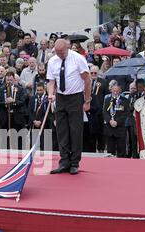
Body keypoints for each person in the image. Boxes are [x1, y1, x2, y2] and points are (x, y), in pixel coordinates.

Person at [47, 39, 91, 175]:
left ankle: (74, 162)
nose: (60, 55)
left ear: (68, 47)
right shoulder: (52, 61)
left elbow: (87, 79)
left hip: (75, 97)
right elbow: (51, 81)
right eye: (58, 52)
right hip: (61, 97)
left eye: (62, 52)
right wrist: (50, 94)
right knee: (61, 130)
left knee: (75, 130)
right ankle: (64, 161)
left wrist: (87, 100)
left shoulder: (78, 59)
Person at [102, 83, 129, 157]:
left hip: (120, 129)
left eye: (117, 91)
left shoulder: (125, 101)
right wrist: (110, 121)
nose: (115, 92)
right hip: (109, 129)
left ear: (120, 91)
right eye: (114, 91)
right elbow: (104, 112)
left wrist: (117, 122)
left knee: (121, 150)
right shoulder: (107, 100)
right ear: (111, 91)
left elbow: (125, 114)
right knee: (110, 151)